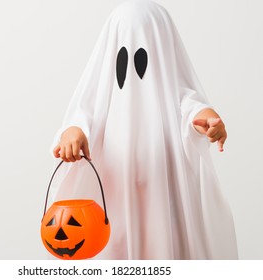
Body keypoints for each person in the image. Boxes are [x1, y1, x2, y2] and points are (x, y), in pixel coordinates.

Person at [50, 0, 238, 259]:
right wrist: (73, 132)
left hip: (165, 200)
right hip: (113, 201)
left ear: (162, 51)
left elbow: (193, 108)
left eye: (145, 54)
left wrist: (207, 121)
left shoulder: (175, 93)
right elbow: (82, 115)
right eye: (123, 54)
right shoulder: (101, 94)